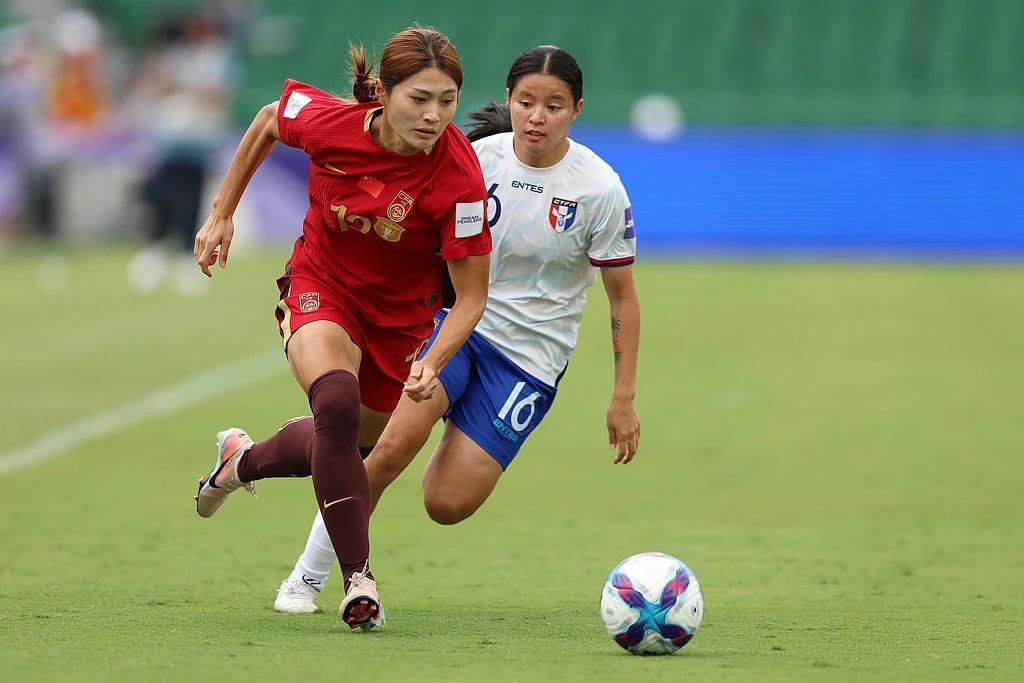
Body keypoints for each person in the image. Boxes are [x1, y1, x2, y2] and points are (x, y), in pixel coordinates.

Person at [268, 45, 641, 615]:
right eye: (526, 102)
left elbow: (623, 297)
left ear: (577, 110)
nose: (537, 117)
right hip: (457, 325)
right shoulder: (475, 159)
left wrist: (623, 397)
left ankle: (270, 451)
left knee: (446, 502)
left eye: (554, 106)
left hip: (530, 359)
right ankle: (310, 579)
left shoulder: (600, 190)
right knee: (387, 451)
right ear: (510, 100)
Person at [190, 26, 492, 631]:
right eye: (419, 99)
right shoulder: (332, 124)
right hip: (320, 284)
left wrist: (433, 359)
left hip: (400, 324)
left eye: (446, 101)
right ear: (383, 93)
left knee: (348, 443)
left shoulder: (459, 181)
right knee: (335, 402)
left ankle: (240, 463)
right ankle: (359, 580)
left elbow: (471, 299)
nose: (433, 116)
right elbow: (268, 120)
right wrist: (222, 213)